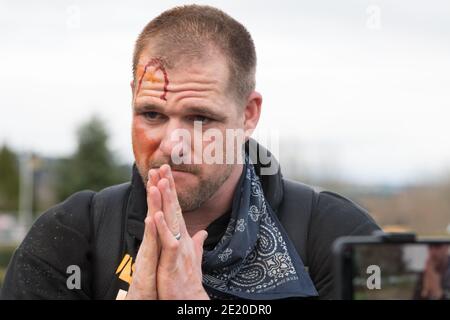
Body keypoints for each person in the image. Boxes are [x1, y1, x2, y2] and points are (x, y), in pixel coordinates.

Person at [0, 5, 379, 300]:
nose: (172, 145)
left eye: (200, 118)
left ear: (248, 115)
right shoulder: (69, 237)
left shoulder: (336, 238)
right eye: (152, 114)